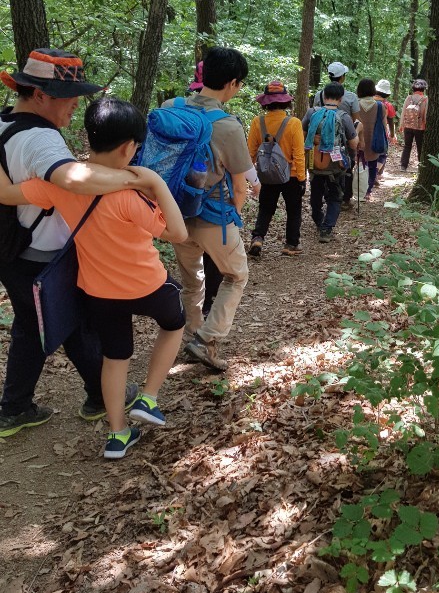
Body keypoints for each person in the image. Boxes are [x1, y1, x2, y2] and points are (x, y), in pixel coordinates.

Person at [0, 98, 188, 459]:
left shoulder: (60, 183)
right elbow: (177, 233)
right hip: (147, 284)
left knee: (115, 358)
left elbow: (7, 194)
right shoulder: (131, 193)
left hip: (99, 292)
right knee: (175, 321)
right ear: (128, 147)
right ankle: (148, 397)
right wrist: (155, 182)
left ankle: (117, 436)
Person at [0, 49, 143, 439]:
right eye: (71, 96)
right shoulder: (41, 138)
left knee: (34, 324)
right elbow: (72, 179)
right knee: (75, 321)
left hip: (12, 250)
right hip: (41, 253)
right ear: (41, 95)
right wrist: (135, 181)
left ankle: (16, 408)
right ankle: (99, 395)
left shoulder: (3, 122)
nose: (77, 104)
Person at [165, 46, 252, 373]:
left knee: (191, 280)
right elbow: (240, 186)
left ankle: (191, 336)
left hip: (175, 214)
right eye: (240, 83)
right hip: (213, 215)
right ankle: (207, 340)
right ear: (231, 83)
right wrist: (235, 216)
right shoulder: (228, 125)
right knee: (236, 274)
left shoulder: (171, 108)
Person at [247, 81, 306, 257]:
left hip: (266, 174)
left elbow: (250, 151)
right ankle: (291, 244)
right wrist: (302, 178)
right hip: (292, 174)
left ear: (266, 102)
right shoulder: (293, 123)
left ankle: (258, 238)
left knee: (265, 208)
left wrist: (250, 177)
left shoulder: (258, 122)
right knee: (293, 209)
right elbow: (299, 154)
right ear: (286, 101)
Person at [302, 83, 358, 243]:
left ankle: (318, 219)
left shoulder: (312, 112)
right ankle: (326, 229)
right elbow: (354, 144)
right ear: (340, 99)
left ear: (323, 96)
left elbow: (302, 134)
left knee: (316, 192)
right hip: (336, 163)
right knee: (335, 196)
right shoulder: (344, 117)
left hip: (314, 161)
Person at [356, 79, 387, 202]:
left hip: (359, 139)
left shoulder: (355, 105)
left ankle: (358, 190)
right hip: (375, 139)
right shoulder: (380, 106)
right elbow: (384, 125)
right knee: (373, 166)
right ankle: (368, 191)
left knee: (359, 164)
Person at [399, 79, 428, 170]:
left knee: (407, 145)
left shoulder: (408, 98)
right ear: (423, 89)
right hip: (420, 127)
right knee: (420, 147)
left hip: (407, 126)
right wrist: (426, 125)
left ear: (413, 88)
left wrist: (401, 125)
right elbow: (426, 114)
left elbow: (403, 112)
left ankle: (403, 165)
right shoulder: (425, 99)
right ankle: (421, 166)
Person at [374, 79, 396, 180]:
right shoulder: (388, 105)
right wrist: (392, 134)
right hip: (382, 132)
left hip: (368, 131)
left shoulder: (369, 101)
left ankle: (371, 174)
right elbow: (390, 121)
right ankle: (376, 174)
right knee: (382, 153)